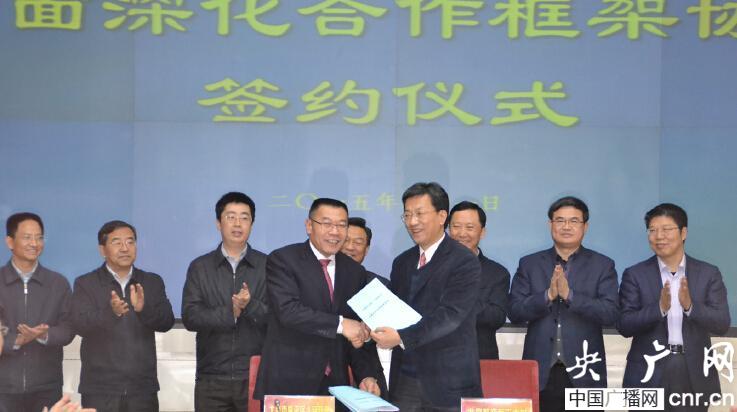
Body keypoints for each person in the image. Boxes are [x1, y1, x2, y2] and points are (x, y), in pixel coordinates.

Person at [255, 198, 381, 406]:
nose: (335, 232)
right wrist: (341, 324)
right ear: (309, 226)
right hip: (289, 382)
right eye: (327, 223)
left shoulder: (354, 271)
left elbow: (355, 332)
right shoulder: (283, 260)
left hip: (336, 387)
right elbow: (288, 311)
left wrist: (366, 375)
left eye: (341, 225)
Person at [371, 182, 482, 412]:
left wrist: (400, 337)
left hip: (449, 383)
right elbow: (393, 309)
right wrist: (371, 323)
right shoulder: (402, 262)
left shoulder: (464, 261)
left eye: (420, 213)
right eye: (407, 215)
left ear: (442, 216)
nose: (412, 222)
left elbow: (450, 316)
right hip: (405, 379)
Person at [508, 196, 619, 412]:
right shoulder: (530, 264)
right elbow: (515, 311)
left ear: (585, 226)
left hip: (585, 372)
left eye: (574, 221)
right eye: (560, 220)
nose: (566, 226)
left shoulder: (602, 265)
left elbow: (611, 313)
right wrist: (547, 295)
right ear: (550, 224)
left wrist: (571, 296)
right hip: (540, 374)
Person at [618, 203, 730, 412]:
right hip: (648, 371)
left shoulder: (708, 274)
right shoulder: (635, 274)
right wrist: (659, 308)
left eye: (666, 229)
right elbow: (624, 324)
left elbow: (722, 323)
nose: (659, 236)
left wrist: (691, 307)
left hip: (693, 372)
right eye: (652, 230)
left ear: (683, 232)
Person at [71, 220, 174, 412]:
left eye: (130, 242)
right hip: (100, 389)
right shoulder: (86, 283)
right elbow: (80, 325)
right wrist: (111, 313)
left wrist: (144, 309)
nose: (125, 248)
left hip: (142, 389)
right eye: (117, 242)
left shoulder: (151, 281)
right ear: (102, 250)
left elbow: (167, 321)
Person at [182, 192, 269, 412]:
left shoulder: (268, 266)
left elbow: (277, 317)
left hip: (255, 376)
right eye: (231, 217)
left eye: (244, 217)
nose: (238, 223)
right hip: (211, 377)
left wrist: (249, 305)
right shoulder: (200, 267)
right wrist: (231, 311)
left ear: (252, 224)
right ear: (218, 223)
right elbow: (190, 317)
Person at [0, 212, 74, 412]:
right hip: (3, 387)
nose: (34, 243)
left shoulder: (58, 283)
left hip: (46, 387)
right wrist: (17, 340)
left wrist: (44, 334)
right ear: (10, 242)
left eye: (39, 237)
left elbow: (68, 328)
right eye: (27, 237)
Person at [448, 201, 511, 359]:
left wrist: (459, 300)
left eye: (469, 227)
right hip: (435, 359)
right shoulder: (431, 267)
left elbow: (496, 317)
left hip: (478, 359)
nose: (462, 233)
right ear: (448, 230)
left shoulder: (497, 273)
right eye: (456, 226)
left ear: (482, 232)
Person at [341, 217, 391, 398]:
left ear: (367, 249)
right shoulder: (319, 280)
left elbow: (388, 333)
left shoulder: (380, 286)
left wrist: (369, 333)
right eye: (346, 240)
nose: (350, 247)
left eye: (358, 242)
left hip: (370, 369)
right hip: (329, 367)